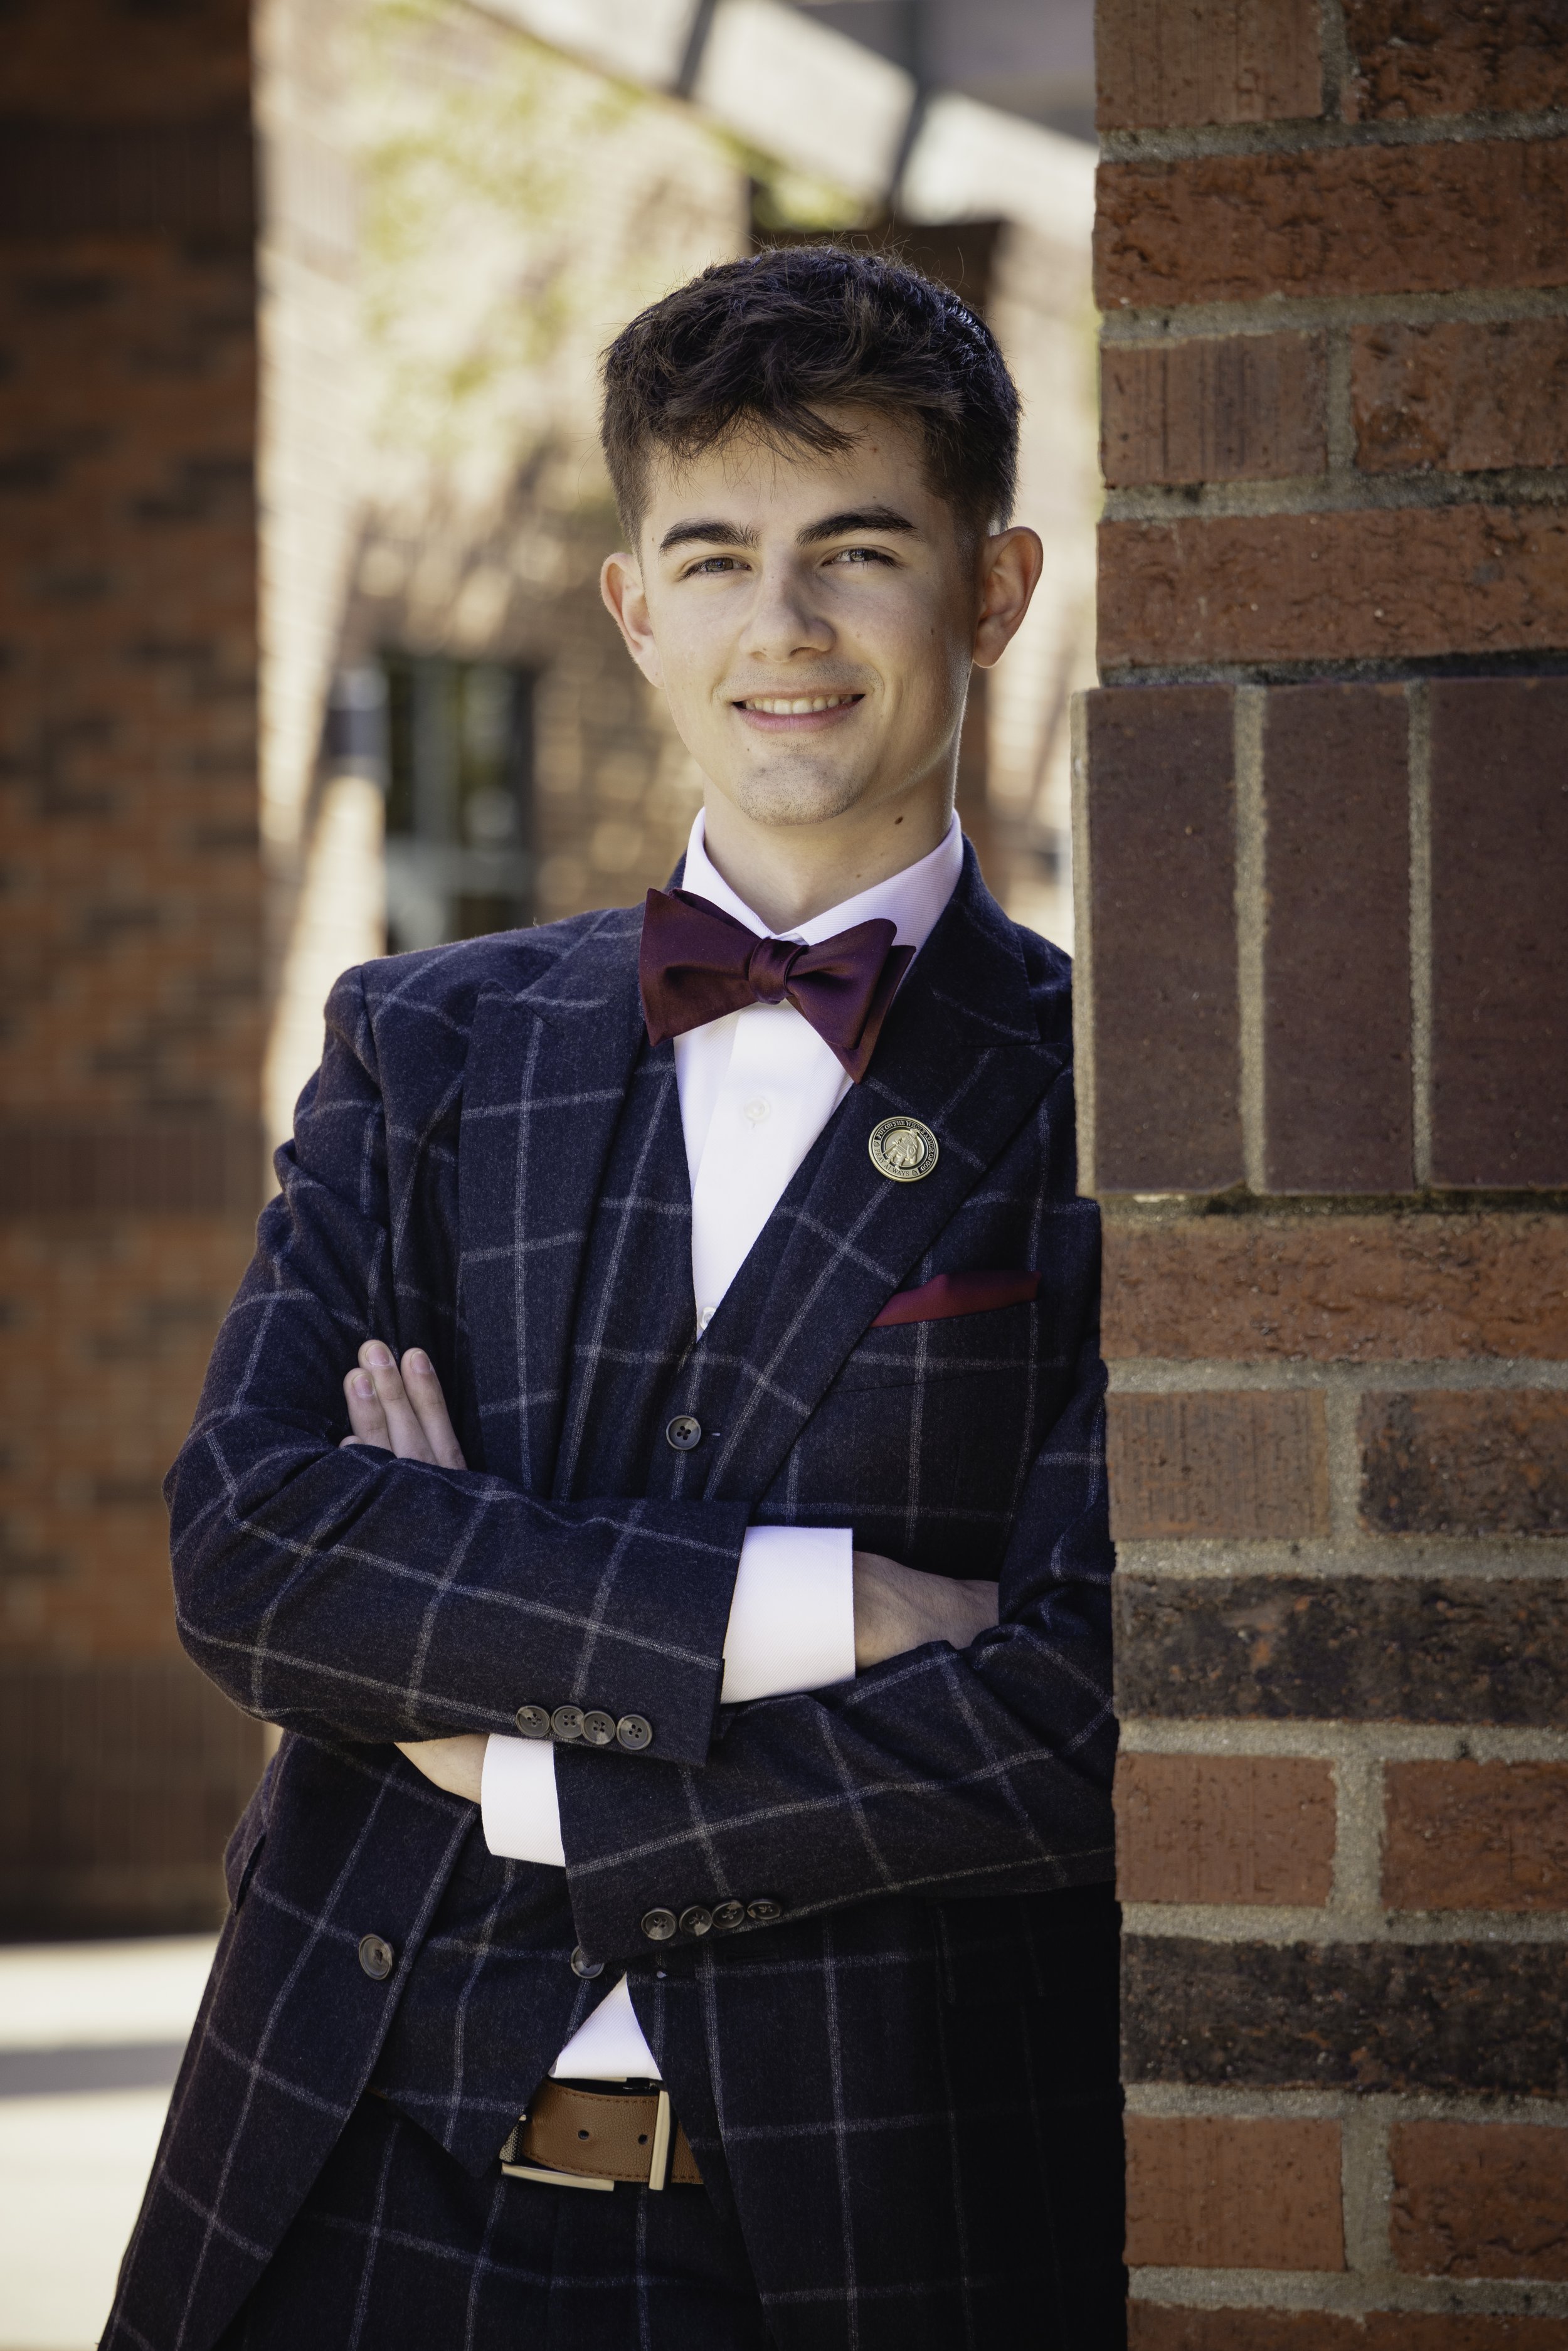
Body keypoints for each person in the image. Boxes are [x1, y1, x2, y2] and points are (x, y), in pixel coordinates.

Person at [106, 245, 1122, 2351]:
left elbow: (1067, 1723)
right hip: (342, 2182)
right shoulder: (428, 1040)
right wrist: (829, 1606)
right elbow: (262, 1550)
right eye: (718, 554)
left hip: (863, 2232)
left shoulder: (1116, 1106)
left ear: (994, 588)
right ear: (632, 605)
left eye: (858, 548)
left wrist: (509, 1755)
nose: (787, 626)